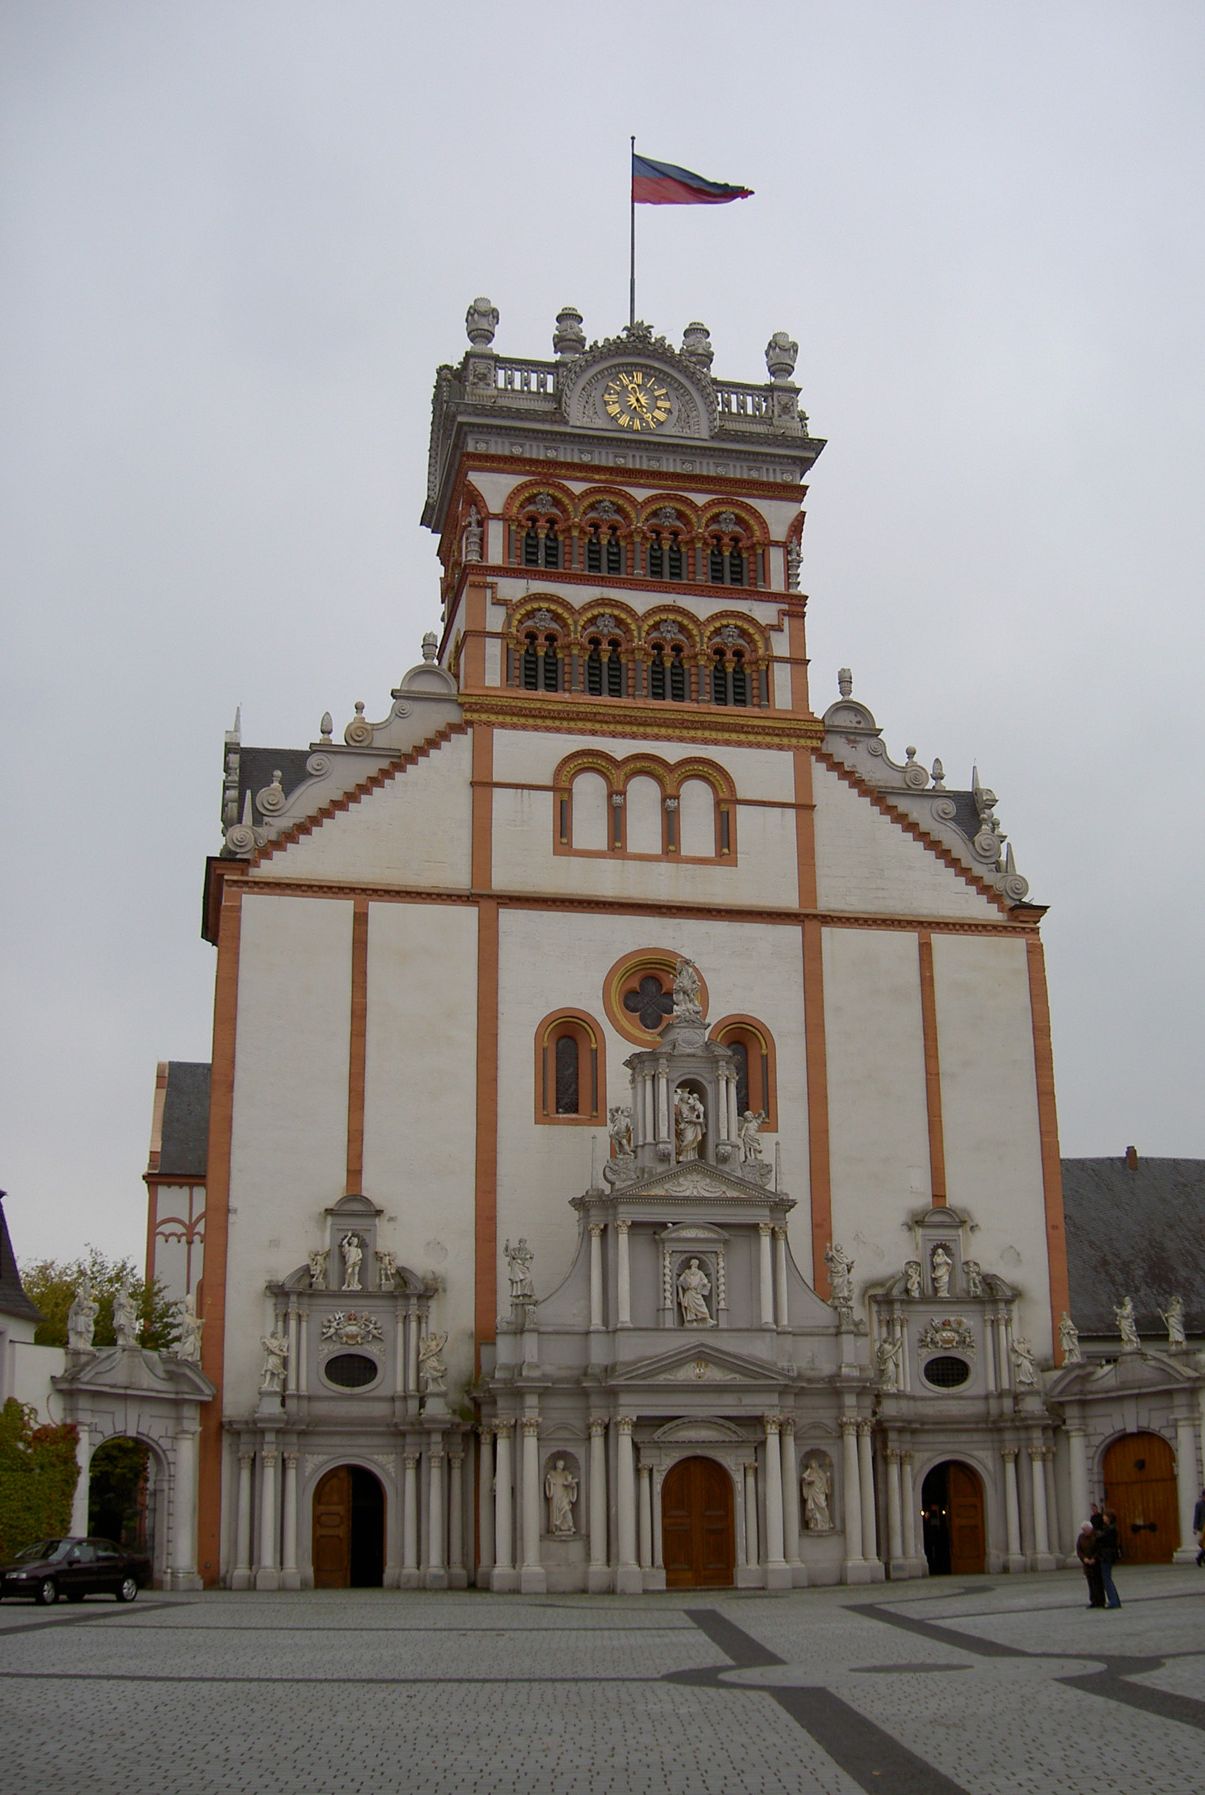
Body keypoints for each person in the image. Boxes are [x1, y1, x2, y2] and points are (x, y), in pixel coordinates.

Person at [1076, 1520, 1105, 1608]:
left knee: (1098, 1583)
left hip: (1096, 1563)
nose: (1084, 1532)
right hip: (1087, 1565)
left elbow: (1100, 1548)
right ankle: (1093, 1601)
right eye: (1083, 1530)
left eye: (1086, 1530)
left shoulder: (1097, 1535)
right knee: (1091, 1584)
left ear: (1090, 1528)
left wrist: (1094, 1558)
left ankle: (1100, 1601)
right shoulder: (1081, 1537)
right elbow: (1079, 1550)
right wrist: (1084, 1558)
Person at [1096, 1507, 1122, 1609]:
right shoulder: (1109, 1528)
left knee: (1107, 1578)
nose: (1103, 1518)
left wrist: (1098, 1535)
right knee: (1107, 1578)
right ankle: (1114, 1600)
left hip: (1107, 1555)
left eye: (1105, 1516)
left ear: (1109, 1517)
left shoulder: (1110, 1529)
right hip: (1107, 1555)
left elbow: (1102, 1539)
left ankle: (1114, 1601)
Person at [1192, 1488, 1205, 1568]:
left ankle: (1200, 1557)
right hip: (1202, 1527)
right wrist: (1195, 1527)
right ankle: (1200, 1557)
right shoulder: (1199, 1504)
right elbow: (1196, 1516)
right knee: (1203, 1544)